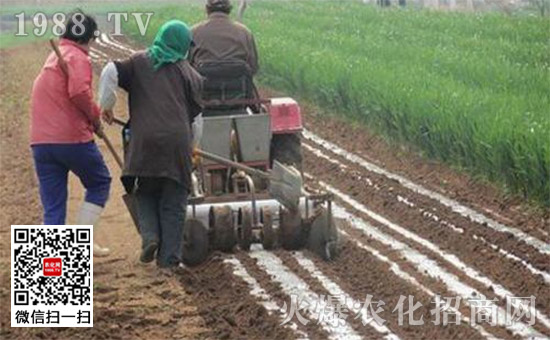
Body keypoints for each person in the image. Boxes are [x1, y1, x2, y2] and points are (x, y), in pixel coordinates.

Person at [98, 20, 203, 268]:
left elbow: (109, 71)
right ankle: (168, 262)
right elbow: (197, 119)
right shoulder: (191, 74)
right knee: (174, 201)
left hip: (144, 141)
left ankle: (150, 237)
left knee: (145, 191)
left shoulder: (138, 62)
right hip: (177, 143)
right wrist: (193, 147)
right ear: (182, 45)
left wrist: (107, 105)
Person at [30, 11, 112, 257]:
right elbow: (78, 93)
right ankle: (82, 242)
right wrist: (95, 117)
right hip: (70, 139)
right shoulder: (77, 57)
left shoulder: (54, 58)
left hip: (41, 143)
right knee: (100, 182)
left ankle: (51, 272)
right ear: (88, 37)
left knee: (53, 208)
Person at [190, 0, 259, 76]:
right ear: (229, 9)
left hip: (202, 85)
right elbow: (253, 67)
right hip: (238, 85)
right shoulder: (245, 33)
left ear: (207, 9)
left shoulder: (194, 32)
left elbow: (187, 66)